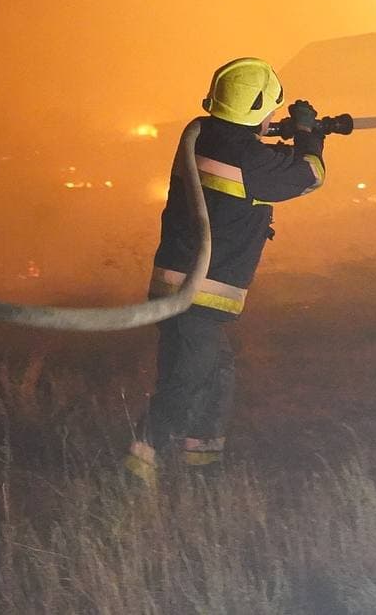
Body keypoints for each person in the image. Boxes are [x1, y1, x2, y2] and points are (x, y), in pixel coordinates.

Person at [125, 57, 326, 484]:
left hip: (176, 283)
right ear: (256, 109)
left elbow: (249, 157)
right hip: (201, 290)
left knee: (215, 374)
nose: (274, 116)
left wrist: (276, 134)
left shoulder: (203, 138)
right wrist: (309, 136)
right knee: (189, 376)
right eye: (270, 110)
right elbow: (308, 176)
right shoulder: (248, 162)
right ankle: (142, 455)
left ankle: (202, 464)